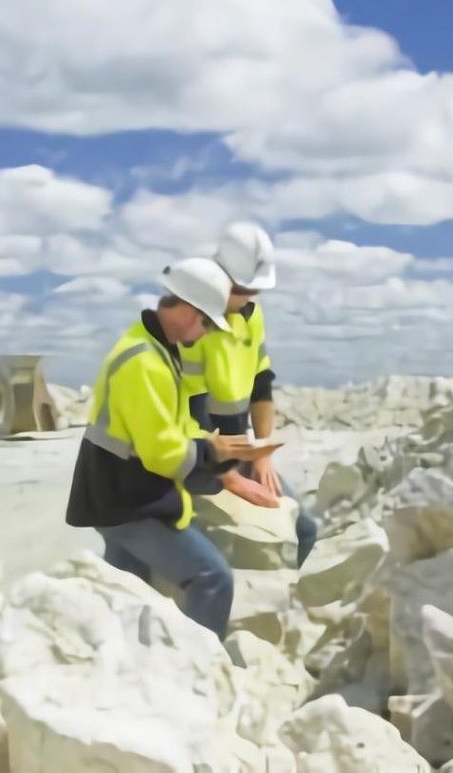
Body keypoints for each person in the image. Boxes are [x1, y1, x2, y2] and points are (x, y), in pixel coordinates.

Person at [65, 256, 280, 640]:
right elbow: (163, 452)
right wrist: (217, 460)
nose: (204, 334)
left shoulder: (158, 349)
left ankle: (124, 665)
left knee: (126, 593)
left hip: (114, 493)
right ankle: (195, 674)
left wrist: (214, 443)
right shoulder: (143, 361)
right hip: (127, 501)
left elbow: (173, 424)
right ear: (186, 310)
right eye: (205, 322)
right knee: (212, 577)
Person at [180, 221, 319, 568]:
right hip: (194, 451)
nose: (247, 298)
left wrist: (261, 456)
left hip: (236, 447)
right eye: (242, 288)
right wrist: (228, 476)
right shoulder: (190, 321)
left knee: (306, 529)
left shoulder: (251, 316)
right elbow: (189, 407)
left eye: (254, 291)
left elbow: (261, 384)